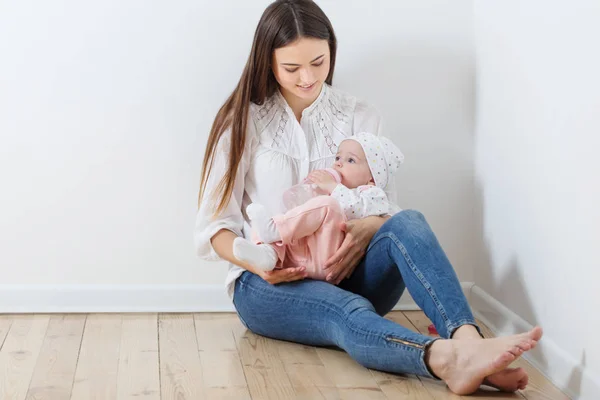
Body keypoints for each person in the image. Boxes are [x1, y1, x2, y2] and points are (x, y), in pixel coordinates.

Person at [194, 0, 543, 395]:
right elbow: (214, 227)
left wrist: (372, 227)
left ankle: (468, 343)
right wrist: (256, 265)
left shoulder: (360, 115)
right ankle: (444, 359)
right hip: (269, 284)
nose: (308, 77)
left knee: (408, 221)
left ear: (332, 50)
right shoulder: (242, 121)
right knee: (346, 311)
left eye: (319, 62)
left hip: (347, 272)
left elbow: (385, 209)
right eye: (291, 68)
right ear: (266, 61)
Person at [233, 132, 404, 280]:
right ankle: (267, 254)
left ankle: (273, 230)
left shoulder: (372, 194)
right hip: (305, 257)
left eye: (350, 160)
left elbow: (355, 208)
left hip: (332, 261)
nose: (338, 163)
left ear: (372, 178)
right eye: (338, 158)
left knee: (326, 206)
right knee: (279, 223)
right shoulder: (334, 193)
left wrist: (332, 188)